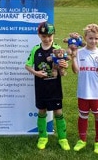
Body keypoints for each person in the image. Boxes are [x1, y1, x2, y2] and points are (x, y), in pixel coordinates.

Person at [25, 22, 71, 151]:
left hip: (55, 87)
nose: (47, 39)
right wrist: (36, 73)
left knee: (58, 112)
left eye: (50, 36)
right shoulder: (36, 49)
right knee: (42, 111)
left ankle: (63, 138)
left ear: (53, 35)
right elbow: (27, 65)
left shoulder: (58, 48)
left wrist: (64, 65)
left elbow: (64, 65)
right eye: (44, 36)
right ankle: (43, 137)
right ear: (39, 35)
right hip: (41, 88)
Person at [70, 24, 98, 154]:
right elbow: (75, 71)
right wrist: (74, 57)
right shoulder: (80, 52)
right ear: (85, 38)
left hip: (97, 92)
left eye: (96, 38)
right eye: (91, 38)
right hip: (83, 91)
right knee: (83, 116)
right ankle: (82, 139)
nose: (93, 41)